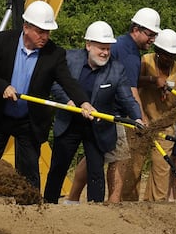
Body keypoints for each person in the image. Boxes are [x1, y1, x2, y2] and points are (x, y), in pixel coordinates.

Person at [0, 0, 92, 192]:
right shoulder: (3, 41)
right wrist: (2, 86)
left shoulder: (55, 53)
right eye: (40, 31)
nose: (45, 36)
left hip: (29, 121)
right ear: (26, 27)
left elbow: (68, 81)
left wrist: (84, 102)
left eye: (48, 32)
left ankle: (31, 213)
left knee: (29, 171)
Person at [43, 21, 144, 204]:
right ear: (88, 45)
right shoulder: (69, 59)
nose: (105, 53)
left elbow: (127, 98)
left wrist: (137, 117)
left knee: (95, 170)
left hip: (98, 125)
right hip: (70, 122)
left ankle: (95, 210)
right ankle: (49, 205)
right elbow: (56, 84)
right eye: (101, 48)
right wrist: (70, 101)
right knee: (58, 167)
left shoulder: (116, 69)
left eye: (108, 49)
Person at [68, 7, 161, 204]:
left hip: (104, 108)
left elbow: (130, 80)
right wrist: (141, 119)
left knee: (96, 157)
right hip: (112, 112)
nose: (153, 39)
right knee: (119, 157)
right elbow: (130, 89)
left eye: (155, 35)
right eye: (150, 34)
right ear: (136, 29)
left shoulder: (124, 46)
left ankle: (73, 197)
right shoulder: (128, 52)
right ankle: (114, 201)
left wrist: (152, 80)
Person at [126, 28, 176, 202]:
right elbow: (132, 82)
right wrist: (153, 81)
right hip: (141, 120)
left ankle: (157, 204)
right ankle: (128, 203)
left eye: (173, 55)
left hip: (165, 124)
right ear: (158, 51)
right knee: (135, 165)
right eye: (166, 55)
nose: (169, 59)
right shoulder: (145, 61)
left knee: (161, 167)